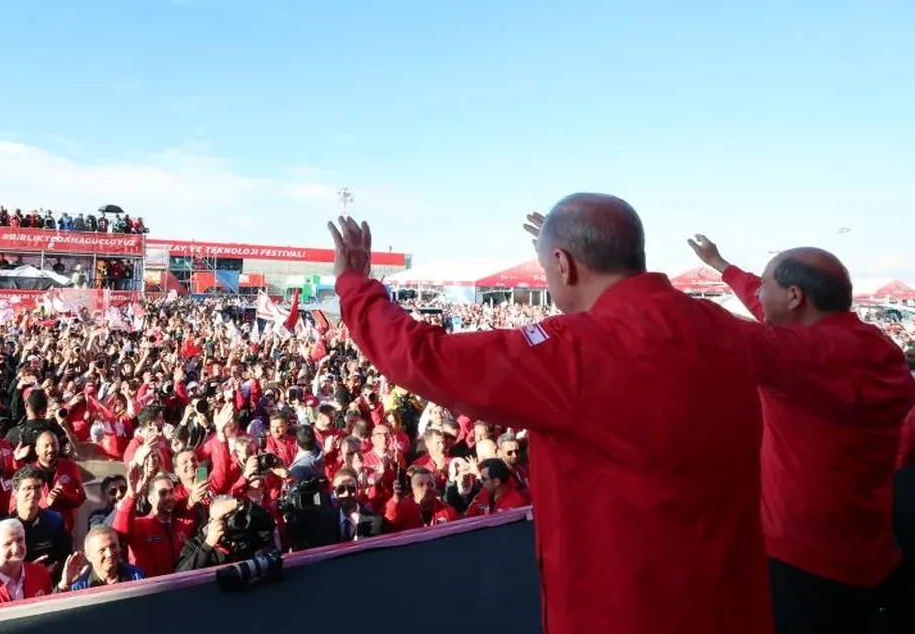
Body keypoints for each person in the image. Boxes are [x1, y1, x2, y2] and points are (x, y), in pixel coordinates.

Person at [327, 196, 772, 634]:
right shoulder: (722, 327)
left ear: (563, 264)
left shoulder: (575, 352)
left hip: (624, 612)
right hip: (734, 605)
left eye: (547, 267)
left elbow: (426, 356)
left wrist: (354, 285)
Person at [688, 235, 915, 633]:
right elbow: (769, 312)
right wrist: (721, 265)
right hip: (868, 550)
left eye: (765, 284)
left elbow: (689, 330)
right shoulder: (875, 348)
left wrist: (597, 270)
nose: (757, 291)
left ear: (794, 296)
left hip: (801, 561)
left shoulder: (803, 356)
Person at [62, 526, 145, 591]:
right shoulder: (79, 586)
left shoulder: (136, 577)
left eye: (113, 546)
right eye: (102, 550)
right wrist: (64, 585)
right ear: (88, 556)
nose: (109, 554)